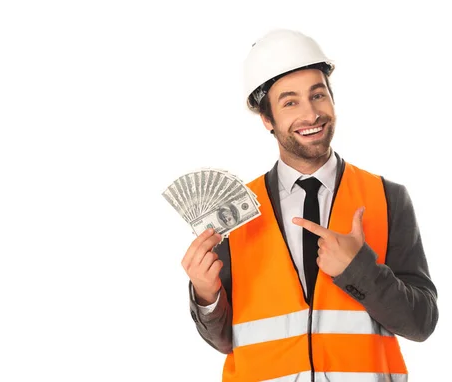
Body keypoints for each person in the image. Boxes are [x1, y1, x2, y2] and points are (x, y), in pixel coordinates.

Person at [181, 29, 438, 382]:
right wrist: (206, 296)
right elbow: (227, 340)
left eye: (318, 95)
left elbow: (421, 324)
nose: (311, 114)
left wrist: (358, 269)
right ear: (267, 120)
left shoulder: (388, 197)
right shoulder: (233, 212)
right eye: (290, 102)